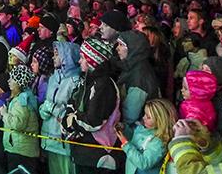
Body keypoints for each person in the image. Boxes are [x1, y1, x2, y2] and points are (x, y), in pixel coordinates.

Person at [64, 38, 120, 173]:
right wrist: (70, 116)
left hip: (98, 153)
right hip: (85, 152)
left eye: (83, 58)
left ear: (92, 61)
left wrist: (73, 120)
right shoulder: (87, 80)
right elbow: (72, 102)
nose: (79, 61)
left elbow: (93, 121)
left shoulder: (103, 86)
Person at [40, 41, 82, 174]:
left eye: (57, 54)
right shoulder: (53, 78)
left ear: (67, 56)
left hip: (64, 141)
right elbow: (46, 103)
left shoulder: (76, 82)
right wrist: (43, 110)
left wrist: (51, 108)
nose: (53, 57)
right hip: (50, 138)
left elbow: (72, 113)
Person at [117, 98, 177, 174]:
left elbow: (144, 163)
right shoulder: (143, 128)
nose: (143, 117)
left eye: (148, 117)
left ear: (161, 120)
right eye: (145, 114)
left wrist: (126, 144)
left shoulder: (159, 142)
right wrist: (124, 129)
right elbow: (134, 139)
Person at [0, 64, 40, 174]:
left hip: (21, 151)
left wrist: (4, 114)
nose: (9, 81)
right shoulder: (20, 98)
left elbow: (18, 124)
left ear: (19, 83)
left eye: (12, 78)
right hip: (19, 148)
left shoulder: (22, 101)